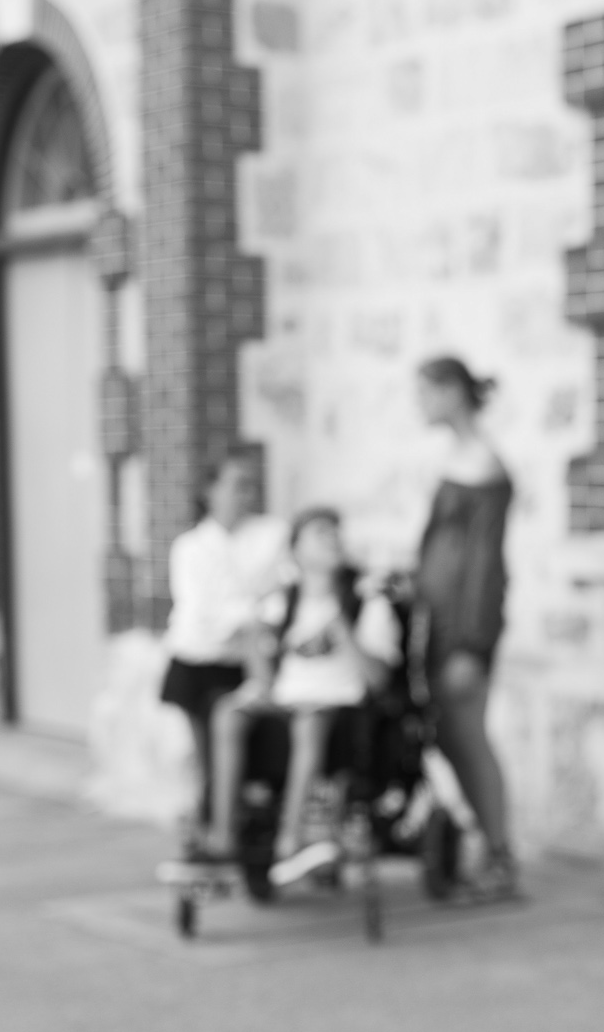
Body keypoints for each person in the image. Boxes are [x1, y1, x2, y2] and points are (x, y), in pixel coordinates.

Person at [208, 506, 402, 883]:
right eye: (319, 531)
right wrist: (259, 671)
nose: (332, 537)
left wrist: (343, 631)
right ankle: (221, 835)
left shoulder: (364, 601)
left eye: (335, 530)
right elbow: (256, 646)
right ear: (295, 549)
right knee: (227, 713)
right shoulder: (283, 603)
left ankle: (291, 839)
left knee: (309, 722)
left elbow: (379, 679)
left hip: (339, 706)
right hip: (286, 701)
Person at [412, 354, 519, 902]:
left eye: (427, 392)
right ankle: (485, 850)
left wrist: (471, 645)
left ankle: (500, 859)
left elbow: (482, 565)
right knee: (450, 737)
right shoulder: (458, 456)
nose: (420, 403)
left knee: (467, 736)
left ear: (453, 391)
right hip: (439, 626)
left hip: (463, 629)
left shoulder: (483, 463)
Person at [159, 450, 285, 859]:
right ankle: (212, 829)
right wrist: (251, 610)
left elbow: (281, 598)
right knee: (209, 759)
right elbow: (201, 614)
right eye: (235, 484)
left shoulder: (269, 535)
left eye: (249, 485)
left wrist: (246, 613)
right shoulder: (191, 547)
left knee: (248, 751)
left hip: (246, 665)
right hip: (198, 666)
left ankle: (238, 828)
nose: (244, 494)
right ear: (209, 491)